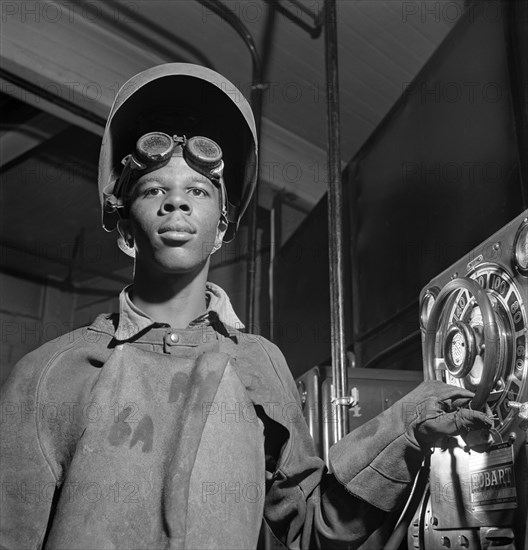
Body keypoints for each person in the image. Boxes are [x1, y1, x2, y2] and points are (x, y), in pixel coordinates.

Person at [0, 64, 492, 550]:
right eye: (154, 190)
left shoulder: (260, 363)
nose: (177, 203)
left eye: (197, 189)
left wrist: (405, 429)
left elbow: (308, 529)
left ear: (221, 228)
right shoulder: (50, 375)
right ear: (126, 231)